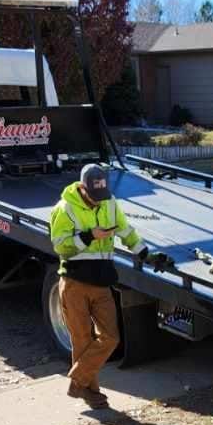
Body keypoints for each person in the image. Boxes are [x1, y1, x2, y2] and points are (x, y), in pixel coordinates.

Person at [49, 164, 143, 409]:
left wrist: (143, 251)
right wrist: (90, 236)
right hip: (74, 283)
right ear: (82, 187)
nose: (99, 200)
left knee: (110, 337)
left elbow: (125, 229)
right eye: (93, 195)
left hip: (101, 282)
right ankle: (92, 394)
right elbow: (60, 247)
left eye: (102, 194)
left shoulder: (109, 202)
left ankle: (76, 382)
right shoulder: (65, 208)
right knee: (81, 339)